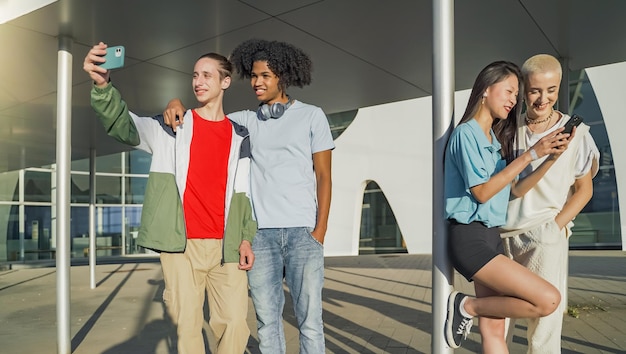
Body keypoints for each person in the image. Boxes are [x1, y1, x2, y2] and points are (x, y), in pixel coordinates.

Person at [83, 42, 257, 354]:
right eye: (195, 75)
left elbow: (244, 194)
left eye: (207, 75)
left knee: (234, 323)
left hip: (226, 246)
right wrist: (102, 85)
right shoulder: (172, 126)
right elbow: (125, 125)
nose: (198, 81)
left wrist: (245, 238)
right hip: (182, 247)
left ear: (225, 81)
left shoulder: (240, 137)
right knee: (186, 326)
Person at [163, 39, 334, 353]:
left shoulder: (313, 117)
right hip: (259, 238)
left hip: (302, 233)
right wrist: (175, 101)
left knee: (310, 322)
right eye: (254, 76)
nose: (256, 82)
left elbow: (324, 176)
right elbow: (207, 116)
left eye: (265, 76)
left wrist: (319, 231)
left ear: (282, 76)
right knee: (267, 323)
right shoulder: (243, 121)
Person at [443, 61, 572, 353]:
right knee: (547, 299)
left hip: (492, 236)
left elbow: (514, 190)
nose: (514, 100)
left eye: (516, 94)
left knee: (495, 328)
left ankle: (468, 307)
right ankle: (466, 305)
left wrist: (549, 157)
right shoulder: (467, 134)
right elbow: (482, 192)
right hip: (469, 238)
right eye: (509, 91)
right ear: (486, 89)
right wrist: (529, 155)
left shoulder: (494, 139)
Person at [501, 54, 600, 353]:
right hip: (500, 235)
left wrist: (554, 228)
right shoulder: (507, 128)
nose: (543, 98)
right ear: (523, 88)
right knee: (498, 320)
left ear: (559, 88)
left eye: (551, 90)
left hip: (542, 235)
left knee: (544, 325)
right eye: (535, 90)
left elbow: (584, 189)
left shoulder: (576, 133)